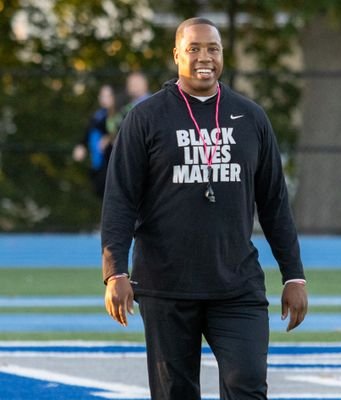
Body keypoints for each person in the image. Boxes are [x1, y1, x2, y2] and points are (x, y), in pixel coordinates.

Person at [101, 17, 308, 400]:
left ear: (222, 55)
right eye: (194, 48)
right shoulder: (145, 119)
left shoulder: (251, 118)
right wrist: (116, 272)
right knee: (174, 393)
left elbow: (275, 202)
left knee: (247, 385)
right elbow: (120, 200)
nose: (204, 57)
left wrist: (294, 276)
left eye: (213, 48)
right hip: (166, 286)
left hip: (236, 284)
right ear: (176, 54)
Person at [73, 84, 116, 199]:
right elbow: (87, 134)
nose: (105, 99)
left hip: (111, 167)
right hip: (97, 165)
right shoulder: (97, 116)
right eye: (102, 96)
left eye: (108, 95)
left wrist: (110, 138)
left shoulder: (119, 116)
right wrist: (81, 146)